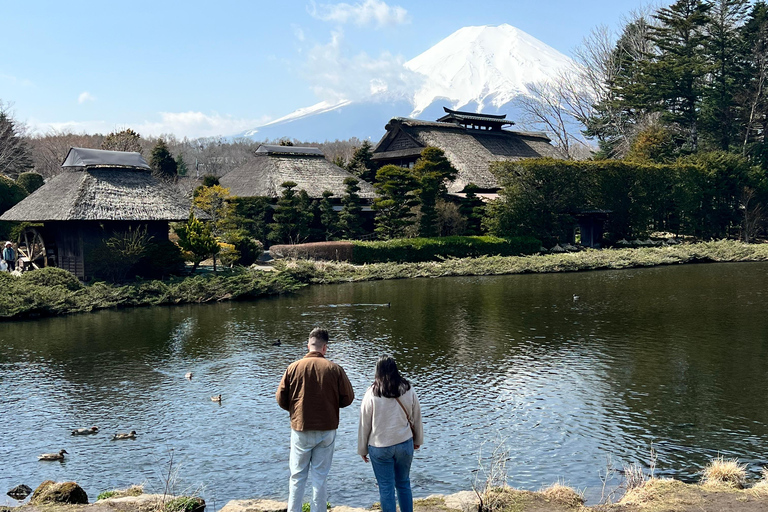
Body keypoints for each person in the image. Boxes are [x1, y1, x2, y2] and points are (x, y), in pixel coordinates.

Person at [276, 328, 355, 512]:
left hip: (300, 428)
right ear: (324, 348)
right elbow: (348, 398)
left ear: (308, 345)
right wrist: (331, 406)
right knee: (320, 477)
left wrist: (296, 411)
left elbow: (280, 398)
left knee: (297, 476)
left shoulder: (293, 367)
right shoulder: (335, 369)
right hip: (327, 429)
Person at [358, 356, 423, 512]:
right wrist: (418, 439)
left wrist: (362, 449)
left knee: (386, 487)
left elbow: (364, 423)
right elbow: (417, 415)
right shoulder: (408, 389)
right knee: (403, 483)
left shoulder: (372, 393)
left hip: (380, 447)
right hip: (404, 443)